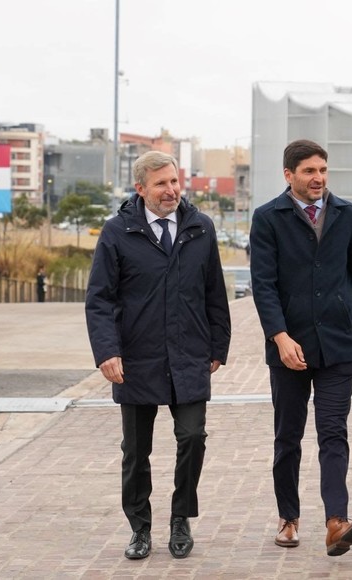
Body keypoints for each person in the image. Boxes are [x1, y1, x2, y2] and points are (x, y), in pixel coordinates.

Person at [85, 151, 231, 561]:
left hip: (188, 355)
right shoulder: (117, 232)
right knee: (136, 451)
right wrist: (107, 351)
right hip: (136, 359)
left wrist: (219, 345)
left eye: (174, 181)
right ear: (141, 189)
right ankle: (140, 527)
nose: (172, 191)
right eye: (162, 184)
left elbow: (214, 292)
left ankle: (181, 517)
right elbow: (99, 300)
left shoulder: (200, 228)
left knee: (193, 436)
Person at [249, 139, 352, 557]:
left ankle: (336, 522)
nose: (318, 178)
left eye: (322, 169)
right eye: (309, 171)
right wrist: (280, 336)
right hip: (290, 347)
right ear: (289, 175)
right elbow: (264, 284)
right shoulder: (268, 218)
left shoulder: (346, 213)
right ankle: (289, 517)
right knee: (288, 436)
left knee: (333, 433)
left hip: (337, 345)